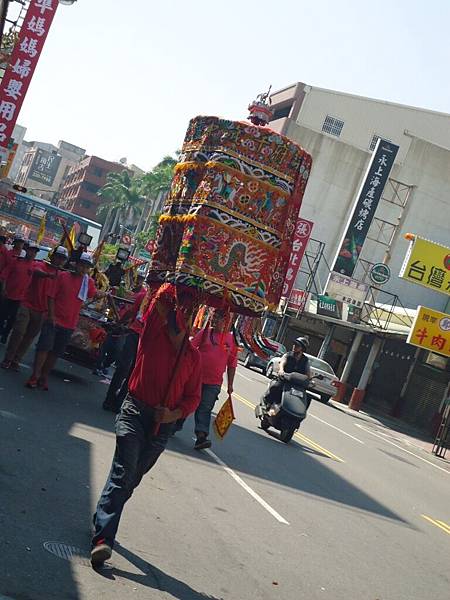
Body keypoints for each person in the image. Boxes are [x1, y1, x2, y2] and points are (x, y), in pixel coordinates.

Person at [90, 285, 202, 567]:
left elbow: (193, 398)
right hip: (134, 411)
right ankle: (103, 539)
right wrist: (185, 278)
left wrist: (173, 414)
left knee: (131, 480)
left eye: (190, 313)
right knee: (123, 472)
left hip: (162, 426)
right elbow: (161, 296)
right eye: (181, 310)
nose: (184, 317)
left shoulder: (192, 356)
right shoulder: (154, 332)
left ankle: (102, 518)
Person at [25, 252, 101, 390]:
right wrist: (52, 316)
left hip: (69, 323)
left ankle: (44, 376)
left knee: (55, 353)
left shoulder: (88, 282)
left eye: (87, 267)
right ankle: (35, 375)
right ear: (76, 264)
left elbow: (92, 294)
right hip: (53, 320)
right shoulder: (62, 276)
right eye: (82, 265)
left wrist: (101, 294)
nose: (83, 269)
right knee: (43, 348)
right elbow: (51, 296)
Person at [175, 309, 238, 450]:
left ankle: (201, 437)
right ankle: (174, 424)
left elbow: (232, 364)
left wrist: (230, 385)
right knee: (185, 402)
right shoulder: (204, 333)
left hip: (214, 383)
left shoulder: (231, 340)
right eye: (213, 317)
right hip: (194, 379)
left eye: (219, 318)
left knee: (205, 408)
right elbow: (190, 349)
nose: (215, 320)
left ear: (226, 322)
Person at [1, 246, 69, 371]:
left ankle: (17, 359)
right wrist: (48, 275)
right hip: (27, 304)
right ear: (53, 256)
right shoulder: (41, 265)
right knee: (19, 331)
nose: (59, 260)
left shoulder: (63, 275)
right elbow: (36, 272)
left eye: (62, 259)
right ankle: (8, 358)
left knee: (29, 337)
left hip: (43, 310)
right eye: (58, 257)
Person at [102, 285, 149, 413]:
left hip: (147, 340)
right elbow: (132, 312)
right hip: (134, 333)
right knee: (123, 367)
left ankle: (120, 401)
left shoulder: (165, 302)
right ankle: (109, 399)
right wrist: (120, 323)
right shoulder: (143, 296)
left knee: (134, 372)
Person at [0, 241, 39, 344]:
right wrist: (3, 289)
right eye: (31, 251)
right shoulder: (16, 261)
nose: (32, 254)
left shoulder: (35, 266)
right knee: (2, 315)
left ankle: (5, 335)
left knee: (13, 319)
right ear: (26, 250)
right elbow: (5, 275)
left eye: (35, 252)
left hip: (20, 298)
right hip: (8, 294)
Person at [262, 337, 311, 407]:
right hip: (284, 380)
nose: (294, 346)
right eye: (294, 344)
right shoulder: (288, 355)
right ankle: (267, 403)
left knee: (307, 397)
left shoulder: (305, 360)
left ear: (302, 348)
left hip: (296, 384)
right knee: (275, 387)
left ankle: (297, 416)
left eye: (297, 345)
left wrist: (309, 379)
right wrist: (281, 370)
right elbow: (282, 362)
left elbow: (308, 373)